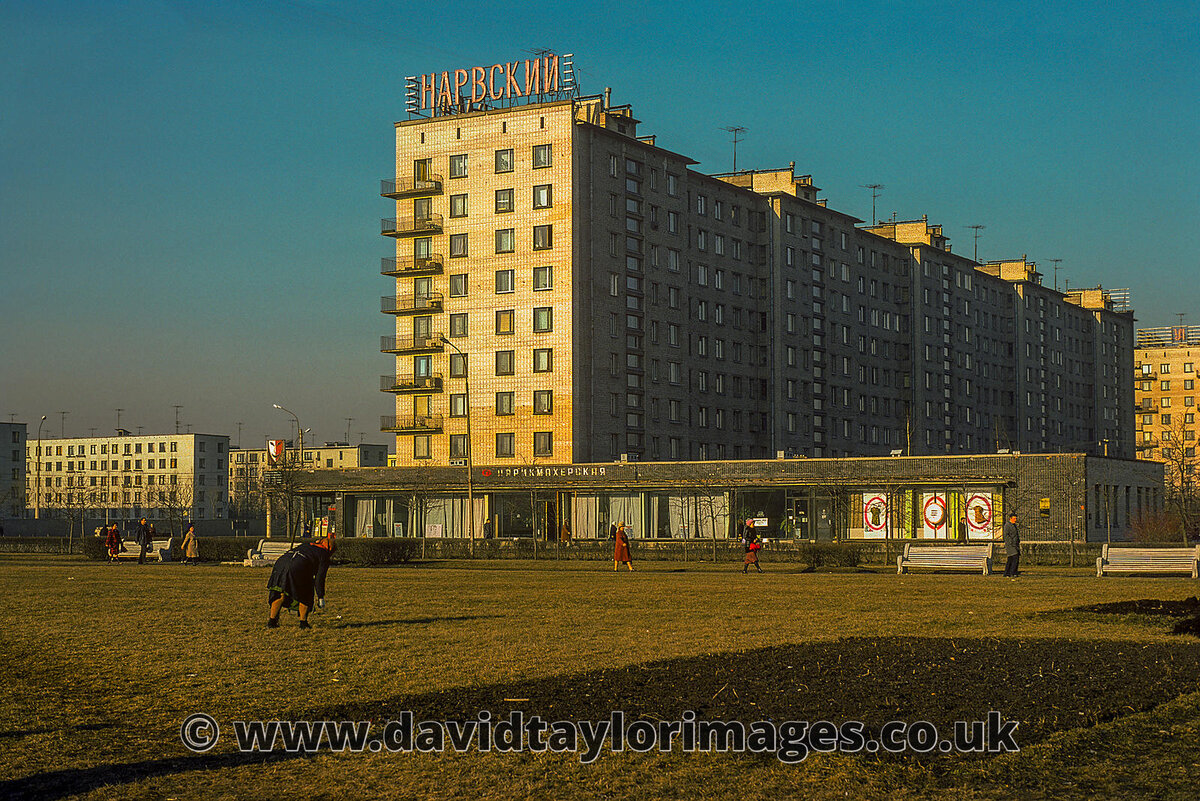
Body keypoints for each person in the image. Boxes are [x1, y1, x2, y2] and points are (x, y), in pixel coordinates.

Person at [267, 535, 335, 629]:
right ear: (330, 549)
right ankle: (303, 622)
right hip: (299, 565)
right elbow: (320, 578)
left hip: (281, 563)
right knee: (306, 594)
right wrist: (320, 597)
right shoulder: (324, 555)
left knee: (280, 592)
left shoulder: (305, 545)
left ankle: (272, 621)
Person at [1002, 512, 1021, 578]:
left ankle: (1007, 573)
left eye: (1016, 518)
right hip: (1010, 545)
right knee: (1015, 557)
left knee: (1011, 559)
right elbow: (1006, 535)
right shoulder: (1007, 525)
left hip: (1015, 544)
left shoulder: (1014, 525)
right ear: (1010, 518)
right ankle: (1012, 572)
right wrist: (1011, 542)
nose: (1015, 520)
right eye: (1014, 518)